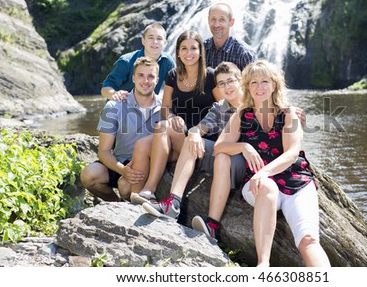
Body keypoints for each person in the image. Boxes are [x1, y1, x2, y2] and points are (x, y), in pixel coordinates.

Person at [210, 59, 330, 267]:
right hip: (257, 185)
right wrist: (243, 147)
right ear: (246, 86)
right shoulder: (242, 115)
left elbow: (292, 153)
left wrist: (263, 171)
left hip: (296, 182)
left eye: (264, 81)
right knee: (266, 186)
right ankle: (263, 264)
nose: (259, 87)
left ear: (274, 84)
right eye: (253, 82)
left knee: (309, 240)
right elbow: (219, 147)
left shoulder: (289, 113)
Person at [127, 30, 223, 204]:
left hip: (200, 139)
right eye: (184, 48)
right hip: (177, 135)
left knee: (163, 127)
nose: (189, 53)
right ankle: (136, 198)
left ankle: (150, 189)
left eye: (193, 48)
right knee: (141, 145)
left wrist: (200, 130)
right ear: (178, 52)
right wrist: (171, 116)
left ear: (201, 51)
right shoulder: (172, 75)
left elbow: (223, 108)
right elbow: (165, 108)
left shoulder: (210, 76)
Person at [142, 62, 245, 220]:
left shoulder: (253, 104)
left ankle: (212, 222)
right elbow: (200, 127)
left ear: (241, 81)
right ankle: (173, 203)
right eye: (222, 83)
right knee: (192, 140)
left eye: (231, 81)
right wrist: (195, 133)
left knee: (222, 154)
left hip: (244, 163)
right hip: (222, 157)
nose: (227, 87)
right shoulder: (220, 107)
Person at [80, 57, 162, 201]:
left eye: (151, 76)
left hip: (147, 165)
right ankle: (115, 203)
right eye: (141, 76)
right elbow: (104, 152)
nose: (145, 81)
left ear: (157, 80)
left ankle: (129, 203)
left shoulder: (165, 108)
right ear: (133, 78)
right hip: (119, 162)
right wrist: (123, 170)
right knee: (89, 175)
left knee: (125, 185)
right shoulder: (114, 106)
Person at [101, 23, 175, 102]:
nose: (155, 42)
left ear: (165, 42)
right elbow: (105, 88)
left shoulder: (167, 62)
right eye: (151, 38)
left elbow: (177, 86)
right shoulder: (126, 61)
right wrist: (114, 94)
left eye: (159, 38)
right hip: (120, 107)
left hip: (147, 107)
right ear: (143, 41)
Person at [205, 3, 257, 71]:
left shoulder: (245, 54)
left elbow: (255, 80)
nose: (216, 25)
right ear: (208, 20)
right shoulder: (201, 49)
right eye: (213, 19)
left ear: (231, 22)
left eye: (222, 19)